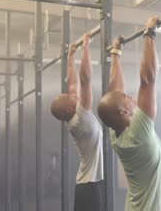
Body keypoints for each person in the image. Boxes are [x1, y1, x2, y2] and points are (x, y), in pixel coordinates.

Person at [97, 17, 161, 211]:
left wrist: (115, 53)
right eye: (127, 98)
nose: (131, 97)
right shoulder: (138, 132)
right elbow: (148, 79)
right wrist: (149, 33)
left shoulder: (117, 132)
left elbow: (115, 90)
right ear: (124, 111)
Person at [50, 33, 104, 211]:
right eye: (69, 97)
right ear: (69, 109)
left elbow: (73, 83)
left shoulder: (74, 114)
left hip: (86, 184)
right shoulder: (81, 116)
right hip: (89, 186)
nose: (72, 94)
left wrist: (71, 57)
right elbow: (85, 79)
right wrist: (86, 46)